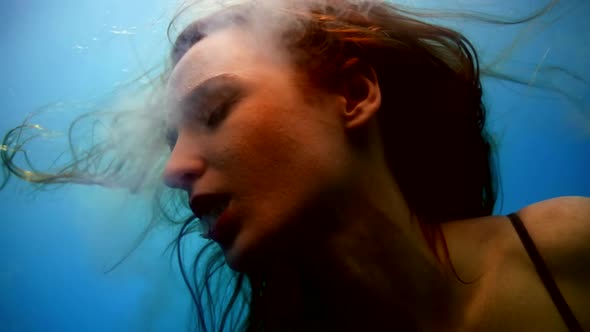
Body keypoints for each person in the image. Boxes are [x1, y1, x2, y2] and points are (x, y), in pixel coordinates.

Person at [2, 0, 589, 331]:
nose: (173, 168)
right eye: (171, 136)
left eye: (215, 108)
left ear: (354, 95)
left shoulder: (568, 246)